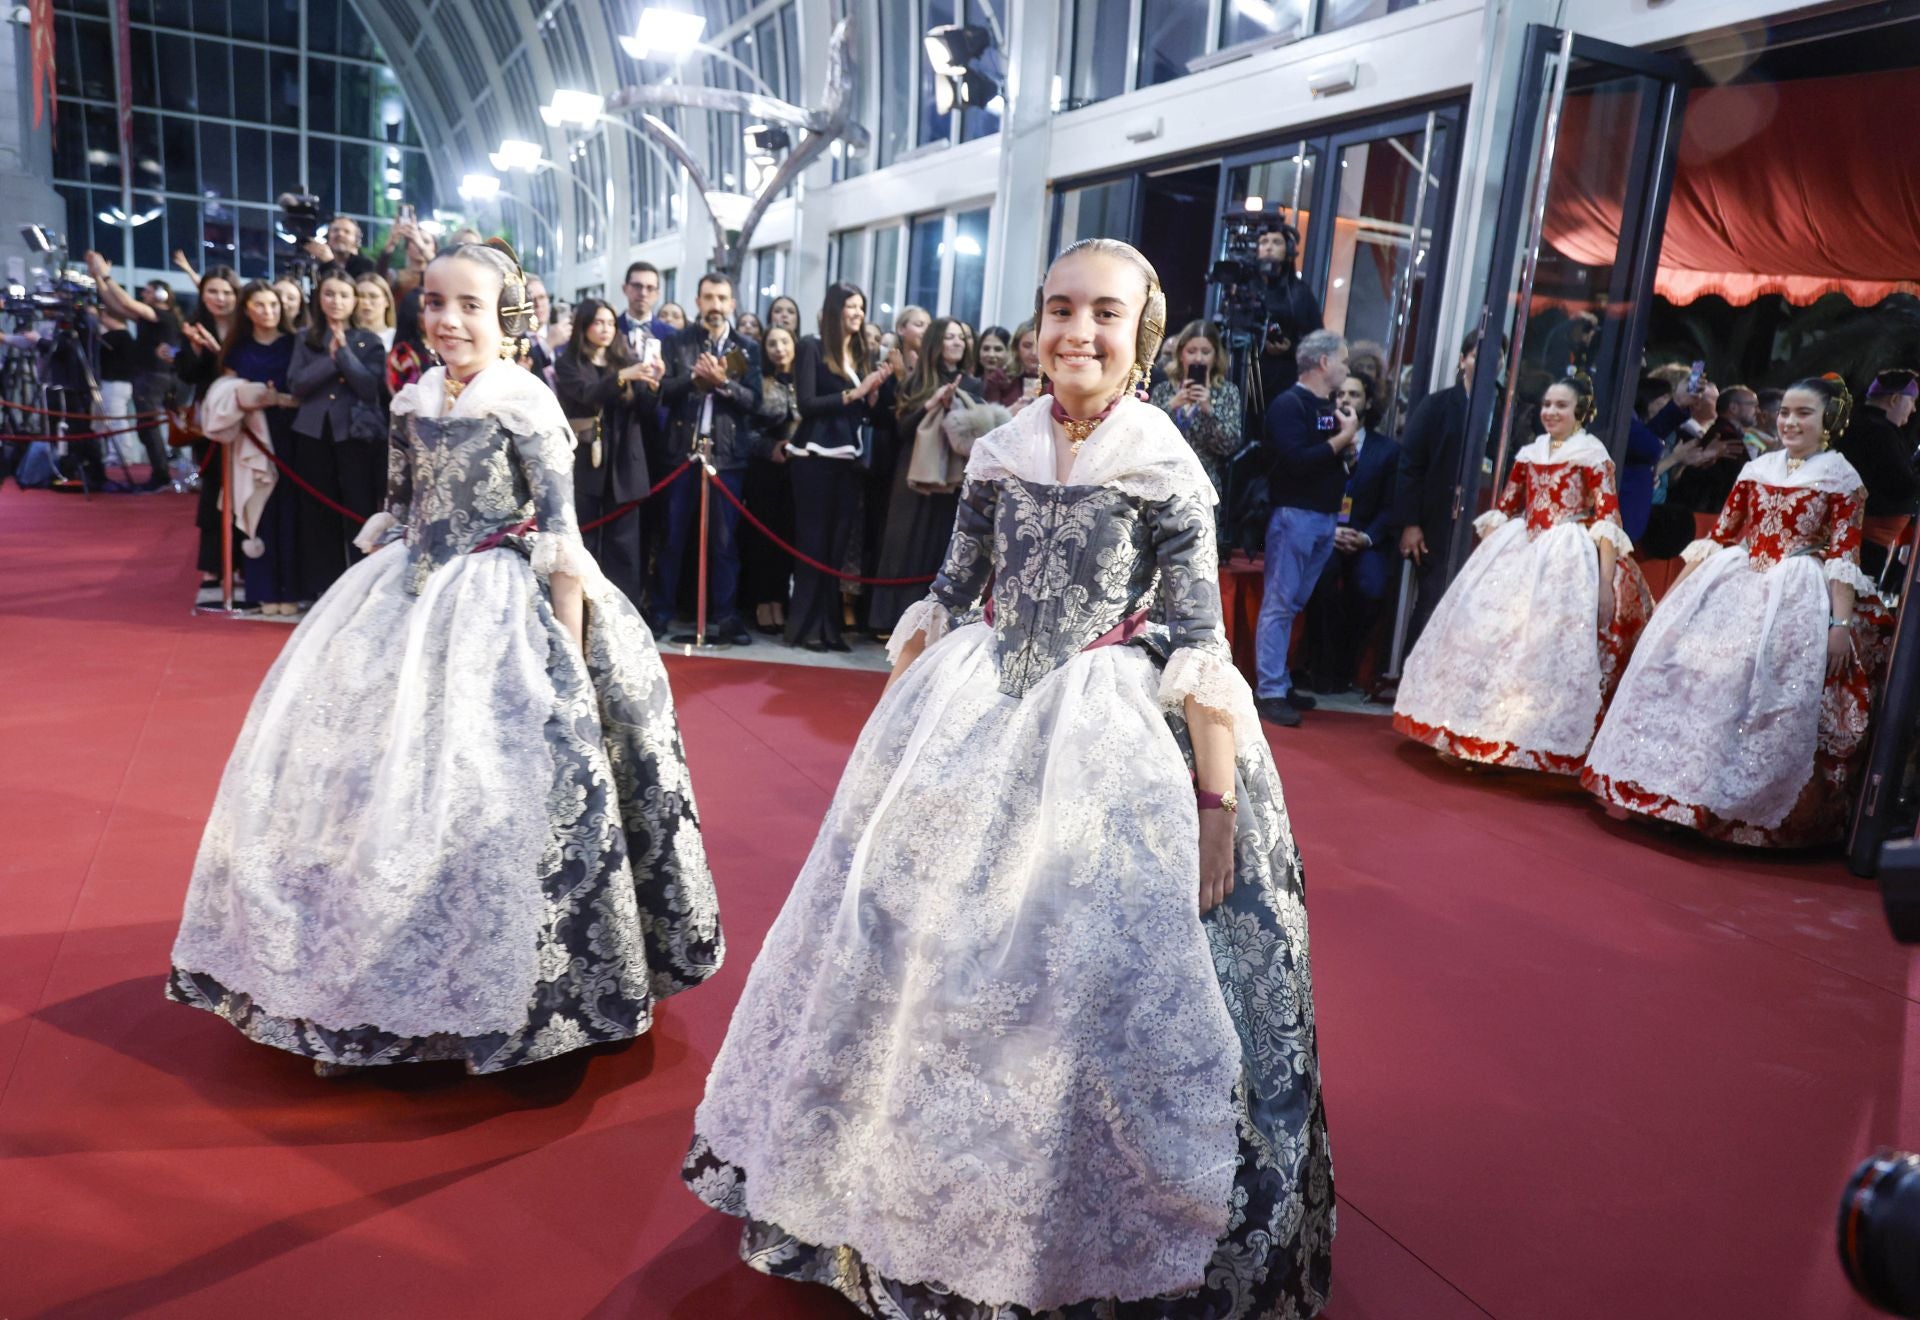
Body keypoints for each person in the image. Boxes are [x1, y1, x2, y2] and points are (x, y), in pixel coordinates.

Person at [685, 236, 1332, 1318]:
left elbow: (1195, 643)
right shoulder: (999, 450)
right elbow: (949, 591)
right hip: (976, 711)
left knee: (1071, 967)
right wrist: (892, 746)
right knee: (910, 945)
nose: (1078, 332)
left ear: (1145, 333)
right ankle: (889, 1197)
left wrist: (1216, 812)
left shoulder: (1165, 459)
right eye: (1059, 309)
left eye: (1105, 314)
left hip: (1110, 732)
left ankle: (1058, 1226)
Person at [168, 238, 722, 1075]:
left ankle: (516, 997)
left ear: (506, 315)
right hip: (408, 598)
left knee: (484, 795)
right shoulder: (410, 401)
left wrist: (567, 660)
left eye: (468, 305)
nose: (448, 320)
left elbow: (562, 538)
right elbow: (397, 508)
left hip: (503, 607)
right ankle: (352, 993)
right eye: (433, 302)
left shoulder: (525, 402)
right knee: (364, 787)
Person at [1584, 376, 1888, 846]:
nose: (1789, 421)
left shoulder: (1841, 478)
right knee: (1686, 674)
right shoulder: (1757, 468)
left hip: (1796, 589)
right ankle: (1665, 793)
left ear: (1828, 421)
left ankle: (1721, 806)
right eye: (1785, 411)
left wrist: (1838, 624)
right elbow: (1721, 536)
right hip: (1737, 577)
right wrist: (1672, 602)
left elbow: (1842, 558)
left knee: (1753, 687)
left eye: (1803, 413)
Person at [1393, 373, 1652, 771]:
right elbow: (1508, 505)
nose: (1551, 412)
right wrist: (1487, 567)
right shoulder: (1530, 453)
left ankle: (1524, 742)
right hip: (1525, 546)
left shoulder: (1592, 454)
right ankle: (1468, 732)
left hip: (1567, 554)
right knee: (1489, 640)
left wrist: (1605, 583)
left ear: (1580, 410)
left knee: (1542, 648)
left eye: (1561, 405)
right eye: (1547, 405)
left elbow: (1607, 521)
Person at [653, 272, 763, 645]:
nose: (715, 305)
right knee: (672, 537)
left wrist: (723, 383)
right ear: (698, 302)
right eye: (708, 298)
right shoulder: (678, 342)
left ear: (732, 303)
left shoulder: (747, 348)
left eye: (722, 298)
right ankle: (661, 612)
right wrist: (696, 379)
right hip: (682, 453)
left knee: (724, 541)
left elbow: (755, 402)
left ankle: (726, 616)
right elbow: (664, 393)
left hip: (726, 457)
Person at [1255, 329, 1356, 726]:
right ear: (1325, 362)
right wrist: (1344, 438)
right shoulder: (1288, 405)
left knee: (1293, 603)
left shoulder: (1328, 407)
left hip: (1323, 516)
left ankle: (1278, 680)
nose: (1348, 369)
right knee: (1280, 602)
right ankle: (1269, 690)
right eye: (1344, 361)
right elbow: (1296, 460)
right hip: (1294, 514)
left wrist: (1347, 447)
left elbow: (1327, 459)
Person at [783, 282, 888, 652]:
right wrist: (855, 394)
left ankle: (829, 627)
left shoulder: (860, 352)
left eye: (862, 307)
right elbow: (808, 403)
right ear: (834, 310)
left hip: (848, 458)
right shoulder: (811, 345)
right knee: (812, 544)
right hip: (813, 458)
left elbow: (860, 410)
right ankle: (806, 627)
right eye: (851, 307)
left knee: (836, 547)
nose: (858, 313)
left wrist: (871, 395)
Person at [868, 317, 988, 636]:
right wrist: (931, 404)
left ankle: (933, 624)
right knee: (905, 542)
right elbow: (902, 430)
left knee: (941, 542)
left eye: (961, 337)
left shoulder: (973, 384)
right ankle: (889, 622)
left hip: (955, 475)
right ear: (936, 342)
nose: (957, 342)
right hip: (914, 472)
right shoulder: (917, 380)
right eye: (949, 337)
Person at [552, 297, 660, 610]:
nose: (606, 329)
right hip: (587, 462)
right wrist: (625, 376)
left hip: (625, 462)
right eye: (599, 322)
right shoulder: (569, 363)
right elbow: (587, 394)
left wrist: (652, 384)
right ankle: (584, 612)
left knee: (625, 548)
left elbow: (647, 409)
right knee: (586, 544)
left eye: (611, 323)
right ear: (584, 326)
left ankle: (624, 614)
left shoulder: (625, 359)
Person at [287, 266, 388, 593]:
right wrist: (329, 360)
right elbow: (297, 385)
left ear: (354, 300)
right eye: (329, 294)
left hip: (355, 436)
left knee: (357, 509)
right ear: (320, 297)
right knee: (317, 511)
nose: (336, 301)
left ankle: (359, 586)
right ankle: (323, 586)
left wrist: (343, 354)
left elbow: (369, 387)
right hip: (313, 434)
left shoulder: (369, 341)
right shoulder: (306, 337)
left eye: (344, 295)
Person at [1303, 370, 1400, 694]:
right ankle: (1320, 668)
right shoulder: (1319, 440)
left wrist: (1366, 537)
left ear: (1368, 402)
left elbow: (1391, 507)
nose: (1345, 399)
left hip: (1366, 538)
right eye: (1340, 394)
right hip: (1324, 534)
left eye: (1354, 394)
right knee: (1322, 581)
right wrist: (1329, 532)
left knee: (1370, 588)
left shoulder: (1387, 450)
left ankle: (1347, 666)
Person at [1393, 333, 1489, 643]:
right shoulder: (1437, 405)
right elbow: (1410, 465)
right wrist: (1410, 523)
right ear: (1463, 361)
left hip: (1484, 525)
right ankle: (1410, 685)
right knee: (1432, 602)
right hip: (1436, 523)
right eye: (1477, 354)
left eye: (1495, 355)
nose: (1488, 361)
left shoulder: (1511, 409)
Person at [218, 280, 303, 615]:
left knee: (291, 514)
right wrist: (250, 400)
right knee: (259, 510)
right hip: (253, 439)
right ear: (247, 310)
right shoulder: (237, 349)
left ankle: (292, 588)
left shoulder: (295, 344)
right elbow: (226, 394)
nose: (268, 311)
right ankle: (264, 588)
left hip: (292, 435)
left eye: (273, 305)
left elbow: (306, 392)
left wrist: (279, 399)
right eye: (260, 305)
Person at [84, 251, 183, 490]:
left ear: (161, 294)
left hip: (153, 377)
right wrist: (98, 277)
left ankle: (161, 475)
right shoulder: (154, 317)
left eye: (148, 291)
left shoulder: (162, 315)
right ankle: (166, 469)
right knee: (154, 426)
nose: (143, 294)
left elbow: (126, 303)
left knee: (148, 428)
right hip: (157, 377)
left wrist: (106, 276)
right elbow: (116, 304)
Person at [175, 266, 244, 604]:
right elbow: (186, 375)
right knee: (212, 488)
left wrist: (219, 349)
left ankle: (245, 561)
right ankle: (214, 564)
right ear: (202, 295)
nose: (220, 298)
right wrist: (199, 350)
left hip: (246, 418)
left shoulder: (247, 326)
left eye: (227, 292)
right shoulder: (191, 327)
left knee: (245, 489)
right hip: (209, 420)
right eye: (213, 292)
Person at [1834, 368, 1919, 579]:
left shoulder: (1865, 424)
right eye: (1912, 401)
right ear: (1895, 399)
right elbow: (1900, 485)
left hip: (1864, 540)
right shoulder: (1877, 431)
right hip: (1863, 542)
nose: (1914, 409)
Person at [743, 324, 800, 635]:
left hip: (799, 471)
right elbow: (746, 431)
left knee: (788, 539)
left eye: (784, 342)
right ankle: (763, 603)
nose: (779, 348)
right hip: (765, 469)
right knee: (765, 538)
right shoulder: (758, 382)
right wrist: (769, 449)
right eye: (772, 343)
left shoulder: (806, 382)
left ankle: (782, 601)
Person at [1150, 318, 1244, 498]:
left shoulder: (1227, 392)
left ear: (1215, 357)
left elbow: (1229, 445)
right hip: (1161, 483)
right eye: (1191, 351)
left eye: (1206, 352)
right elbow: (1148, 438)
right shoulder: (1164, 390)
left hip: (1203, 487)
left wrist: (1209, 410)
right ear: (1181, 354)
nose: (1198, 358)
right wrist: (1172, 405)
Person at [1249, 224, 1324, 412]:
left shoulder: (1301, 293)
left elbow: (1318, 342)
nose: (1269, 247)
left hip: (1287, 381)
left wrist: (1291, 348)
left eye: (1276, 242)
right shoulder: (1244, 291)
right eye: (1264, 241)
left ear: (1288, 250)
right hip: (1247, 378)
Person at [302, 214, 378, 278]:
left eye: (346, 232)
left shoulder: (367, 266)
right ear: (328, 236)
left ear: (356, 239)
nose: (340, 234)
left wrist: (329, 263)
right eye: (335, 230)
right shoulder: (317, 263)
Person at [617, 261, 673, 346]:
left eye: (650, 288)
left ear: (657, 294)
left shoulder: (671, 334)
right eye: (637, 286)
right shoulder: (612, 329)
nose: (643, 293)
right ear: (625, 289)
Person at [976, 324, 1023, 407]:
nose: (991, 355)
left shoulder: (1016, 385)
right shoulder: (972, 384)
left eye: (998, 349)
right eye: (986, 348)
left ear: (1009, 351)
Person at [353, 272, 397, 351]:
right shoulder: (347, 336)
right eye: (361, 296)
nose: (366, 302)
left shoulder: (397, 338)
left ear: (387, 301)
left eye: (373, 296)